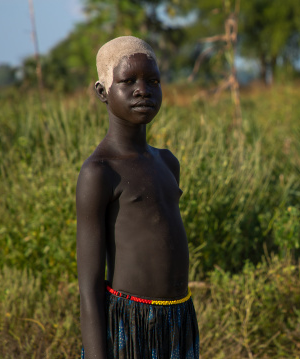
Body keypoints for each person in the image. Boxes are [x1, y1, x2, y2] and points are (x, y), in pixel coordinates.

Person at [76, 36, 199, 359]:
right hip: (128, 327)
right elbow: (89, 288)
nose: (143, 90)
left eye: (153, 80)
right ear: (103, 92)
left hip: (179, 320)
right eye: (128, 81)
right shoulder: (100, 173)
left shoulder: (167, 162)